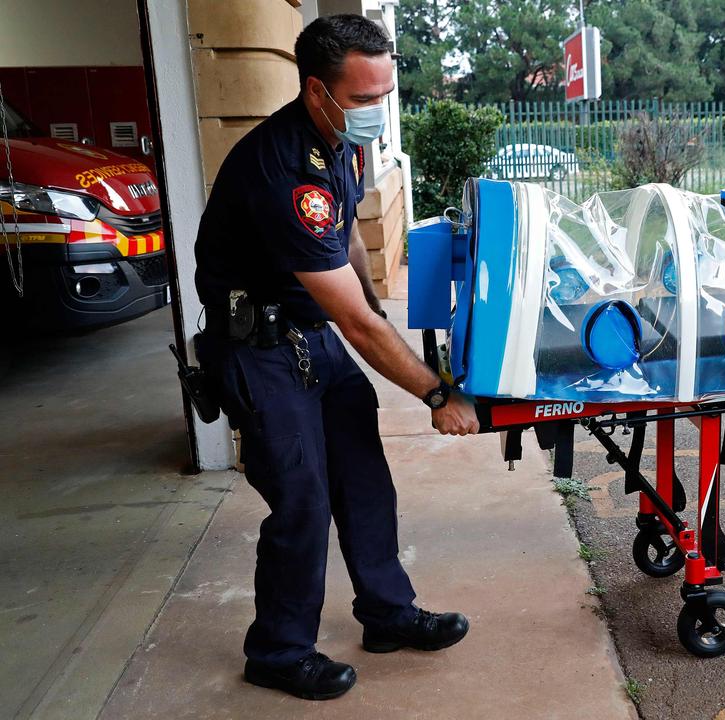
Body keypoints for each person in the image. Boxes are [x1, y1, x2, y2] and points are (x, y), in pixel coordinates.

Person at [193, 14, 480, 701]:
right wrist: (438, 394)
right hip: (258, 351)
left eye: (385, 94)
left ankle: (386, 613)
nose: (377, 111)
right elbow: (352, 319)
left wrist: (377, 311)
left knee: (364, 482)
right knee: (301, 502)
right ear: (317, 91)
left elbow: (346, 240)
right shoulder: (283, 168)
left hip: (310, 336)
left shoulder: (339, 146)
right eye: (363, 99)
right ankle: (278, 650)